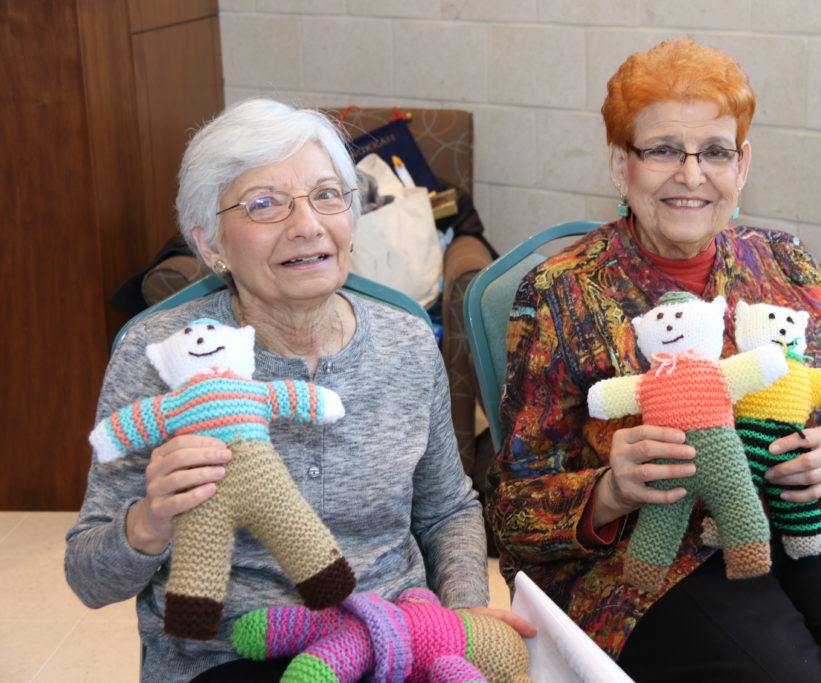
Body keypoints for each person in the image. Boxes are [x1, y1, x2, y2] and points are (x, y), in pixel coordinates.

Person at [485, 38, 821, 681]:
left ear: (744, 163)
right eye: (664, 150)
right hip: (648, 562)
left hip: (799, 529)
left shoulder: (787, 265)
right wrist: (608, 491)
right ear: (621, 165)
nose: (692, 175)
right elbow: (511, 507)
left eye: (715, 152)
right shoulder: (562, 293)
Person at [65, 98, 530, 682]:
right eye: (265, 204)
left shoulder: (406, 342)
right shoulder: (162, 357)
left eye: (327, 195)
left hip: (394, 639)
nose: (307, 224)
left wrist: (461, 620)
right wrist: (149, 522)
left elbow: (447, 509)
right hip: (230, 655)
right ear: (210, 243)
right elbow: (87, 577)